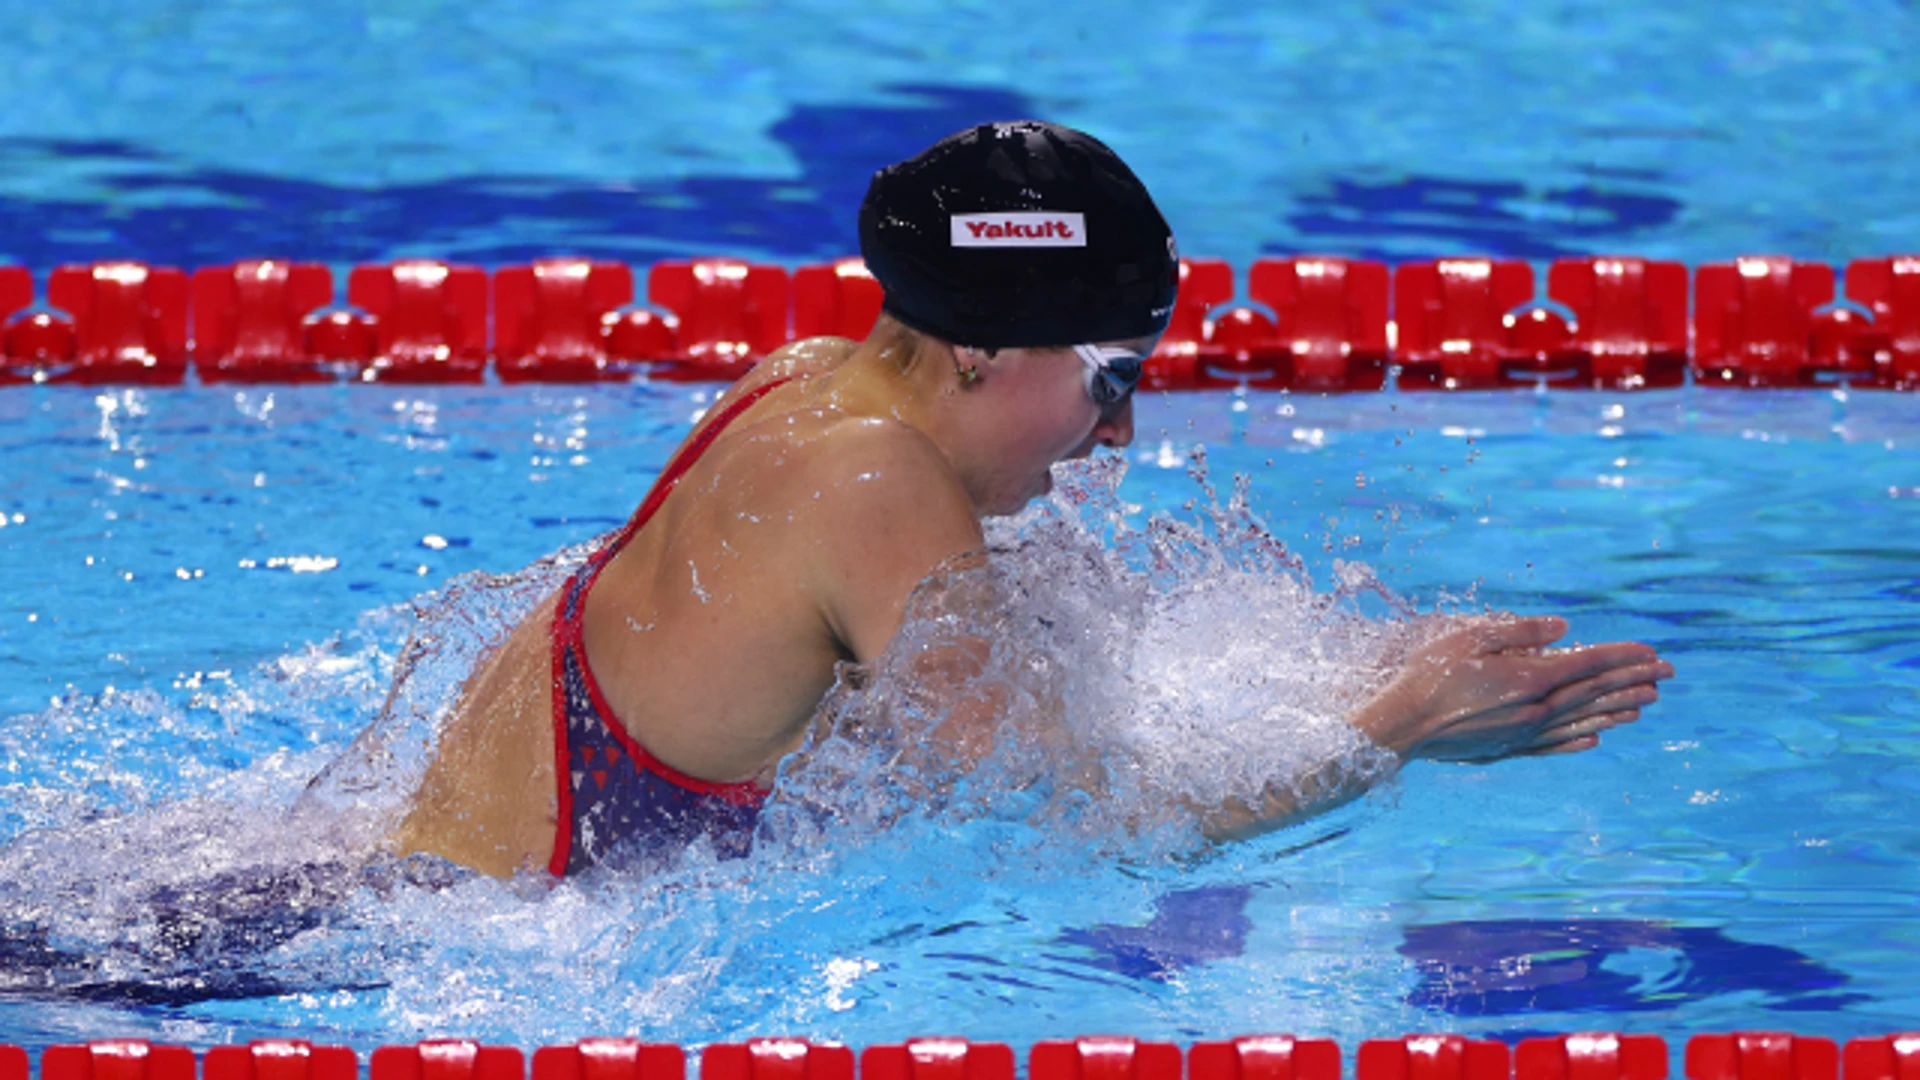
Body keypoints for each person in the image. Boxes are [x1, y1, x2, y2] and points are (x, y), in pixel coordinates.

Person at [387, 121, 1674, 879]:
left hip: (387, 884)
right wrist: (1395, 730)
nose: (1119, 432)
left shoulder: (812, 384)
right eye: (1109, 378)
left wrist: (1334, 675)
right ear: (979, 354)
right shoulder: (874, 483)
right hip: (444, 956)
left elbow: (990, 715)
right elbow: (1095, 833)